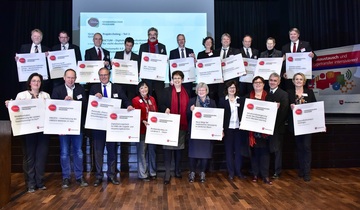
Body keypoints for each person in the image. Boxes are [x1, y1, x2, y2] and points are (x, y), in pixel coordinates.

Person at [5, 73, 50, 193]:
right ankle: (30, 183)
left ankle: (40, 182)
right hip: (28, 132)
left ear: (41, 83)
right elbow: (16, 109)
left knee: (41, 157)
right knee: (29, 158)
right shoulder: (21, 95)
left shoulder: (46, 95)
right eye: (34, 81)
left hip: (42, 131)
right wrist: (10, 104)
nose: (36, 83)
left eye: (38, 81)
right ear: (29, 83)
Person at [90, 67, 134, 186]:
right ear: (98, 76)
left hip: (112, 127)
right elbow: (88, 105)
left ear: (109, 75)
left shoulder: (117, 88)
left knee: (112, 152)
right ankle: (98, 176)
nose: (103, 77)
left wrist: (129, 106)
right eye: (101, 75)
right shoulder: (93, 88)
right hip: (98, 127)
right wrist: (94, 97)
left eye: (105, 74)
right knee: (98, 152)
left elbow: (125, 100)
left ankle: (111, 175)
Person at [51, 69, 88, 188]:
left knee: (78, 152)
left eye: (73, 78)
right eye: (68, 77)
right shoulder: (57, 90)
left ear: (76, 79)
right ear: (64, 78)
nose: (71, 80)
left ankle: (79, 177)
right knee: (64, 152)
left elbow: (85, 105)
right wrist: (64, 102)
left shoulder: (80, 89)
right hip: (63, 127)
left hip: (77, 127)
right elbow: (53, 107)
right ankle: (65, 177)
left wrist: (74, 102)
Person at [159, 70, 190, 185]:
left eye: (179, 78)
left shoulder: (186, 92)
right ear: (172, 80)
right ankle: (167, 173)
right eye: (175, 78)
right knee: (168, 149)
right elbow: (160, 104)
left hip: (182, 125)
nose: (177, 80)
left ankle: (177, 171)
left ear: (182, 80)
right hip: (169, 124)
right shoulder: (166, 91)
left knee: (179, 150)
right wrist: (165, 109)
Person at [287, 72, 316, 182]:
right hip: (295, 125)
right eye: (297, 79)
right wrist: (290, 106)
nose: (299, 81)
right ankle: (302, 170)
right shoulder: (289, 93)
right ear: (293, 81)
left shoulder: (309, 92)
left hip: (307, 125)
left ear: (304, 81)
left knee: (307, 147)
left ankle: (307, 172)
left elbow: (315, 107)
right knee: (299, 148)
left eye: (301, 79)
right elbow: (285, 108)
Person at [187, 82, 217, 183]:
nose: (201, 91)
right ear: (197, 91)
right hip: (195, 131)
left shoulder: (212, 102)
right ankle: (192, 172)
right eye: (199, 90)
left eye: (203, 90)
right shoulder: (192, 101)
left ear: (206, 91)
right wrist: (190, 111)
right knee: (193, 152)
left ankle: (202, 172)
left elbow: (216, 117)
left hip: (207, 132)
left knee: (205, 153)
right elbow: (187, 116)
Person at [246, 76, 272, 185]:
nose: (258, 84)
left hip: (265, 131)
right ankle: (255, 174)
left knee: (265, 154)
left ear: (263, 84)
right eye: (255, 82)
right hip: (252, 131)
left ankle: (265, 175)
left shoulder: (269, 96)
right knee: (255, 153)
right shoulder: (248, 97)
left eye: (260, 82)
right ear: (252, 84)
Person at [218, 81, 246, 180]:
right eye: (230, 87)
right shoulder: (222, 101)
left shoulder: (241, 100)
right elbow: (220, 117)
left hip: (238, 129)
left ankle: (239, 171)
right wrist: (221, 130)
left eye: (233, 87)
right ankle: (231, 172)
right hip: (228, 129)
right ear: (227, 89)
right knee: (229, 151)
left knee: (238, 151)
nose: (232, 89)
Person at [132, 81, 158, 181]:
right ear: (138, 90)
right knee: (142, 152)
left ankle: (153, 172)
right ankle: (143, 174)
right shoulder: (135, 100)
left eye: (146, 87)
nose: (144, 89)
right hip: (141, 129)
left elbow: (156, 112)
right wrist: (142, 120)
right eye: (142, 88)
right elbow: (135, 114)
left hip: (152, 130)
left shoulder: (152, 99)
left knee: (152, 151)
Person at [265, 73, 289, 179]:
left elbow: (284, 112)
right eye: (271, 80)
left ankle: (277, 172)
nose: (272, 82)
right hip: (265, 128)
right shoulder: (265, 94)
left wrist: (272, 125)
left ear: (279, 82)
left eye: (275, 80)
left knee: (277, 151)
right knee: (266, 149)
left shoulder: (283, 94)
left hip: (277, 128)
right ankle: (267, 170)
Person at [17, 29, 51, 93]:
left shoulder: (47, 49)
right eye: (35, 36)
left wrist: (48, 58)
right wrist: (17, 60)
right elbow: (20, 62)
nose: (37, 38)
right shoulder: (24, 48)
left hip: (42, 80)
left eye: (39, 36)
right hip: (26, 79)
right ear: (31, 37)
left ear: (41, 38)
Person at [138, 27, 167, 102]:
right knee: (147, 98)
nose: (152, 36)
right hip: (147, 77)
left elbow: (164, 61)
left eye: (154, 34)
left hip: (159, 78)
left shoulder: (162, 47)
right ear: (148, 36)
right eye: (150, 34)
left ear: (157, 35)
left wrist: (165, 60)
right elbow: (139, 60)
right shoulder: (143, 46)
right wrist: (139, 71)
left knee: (160, 98)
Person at [214, 33, 241, 98]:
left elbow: (239, 65)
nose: (226, 41)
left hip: (231, 80)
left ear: (230, 41)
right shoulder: (215, 52)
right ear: (221, 41)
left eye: (227, 39)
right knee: (221, 97)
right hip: (220, 80)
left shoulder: (236, 51)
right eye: (224, 39)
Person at [197, 36, 218, 103]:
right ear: (204, 43)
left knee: (213, 97)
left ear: (212, 44)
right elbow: (198, 67)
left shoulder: (216, 53)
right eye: (207, 42)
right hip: (204, 80)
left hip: (213, 80)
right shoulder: (200, 54)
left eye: (210, 42)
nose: (208, 43)